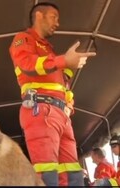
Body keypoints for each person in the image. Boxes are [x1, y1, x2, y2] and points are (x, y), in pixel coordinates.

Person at [9, 2, 96, 186]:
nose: (58, 22)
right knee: (47, 174)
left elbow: (59, 82)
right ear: (39, 16)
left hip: (60, 114)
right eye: (54, 17)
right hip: (41, 110)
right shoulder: (23, 39)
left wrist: (70, 70)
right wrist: (64, 60)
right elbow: (27, 65)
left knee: (73, 174)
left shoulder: (48, 50)